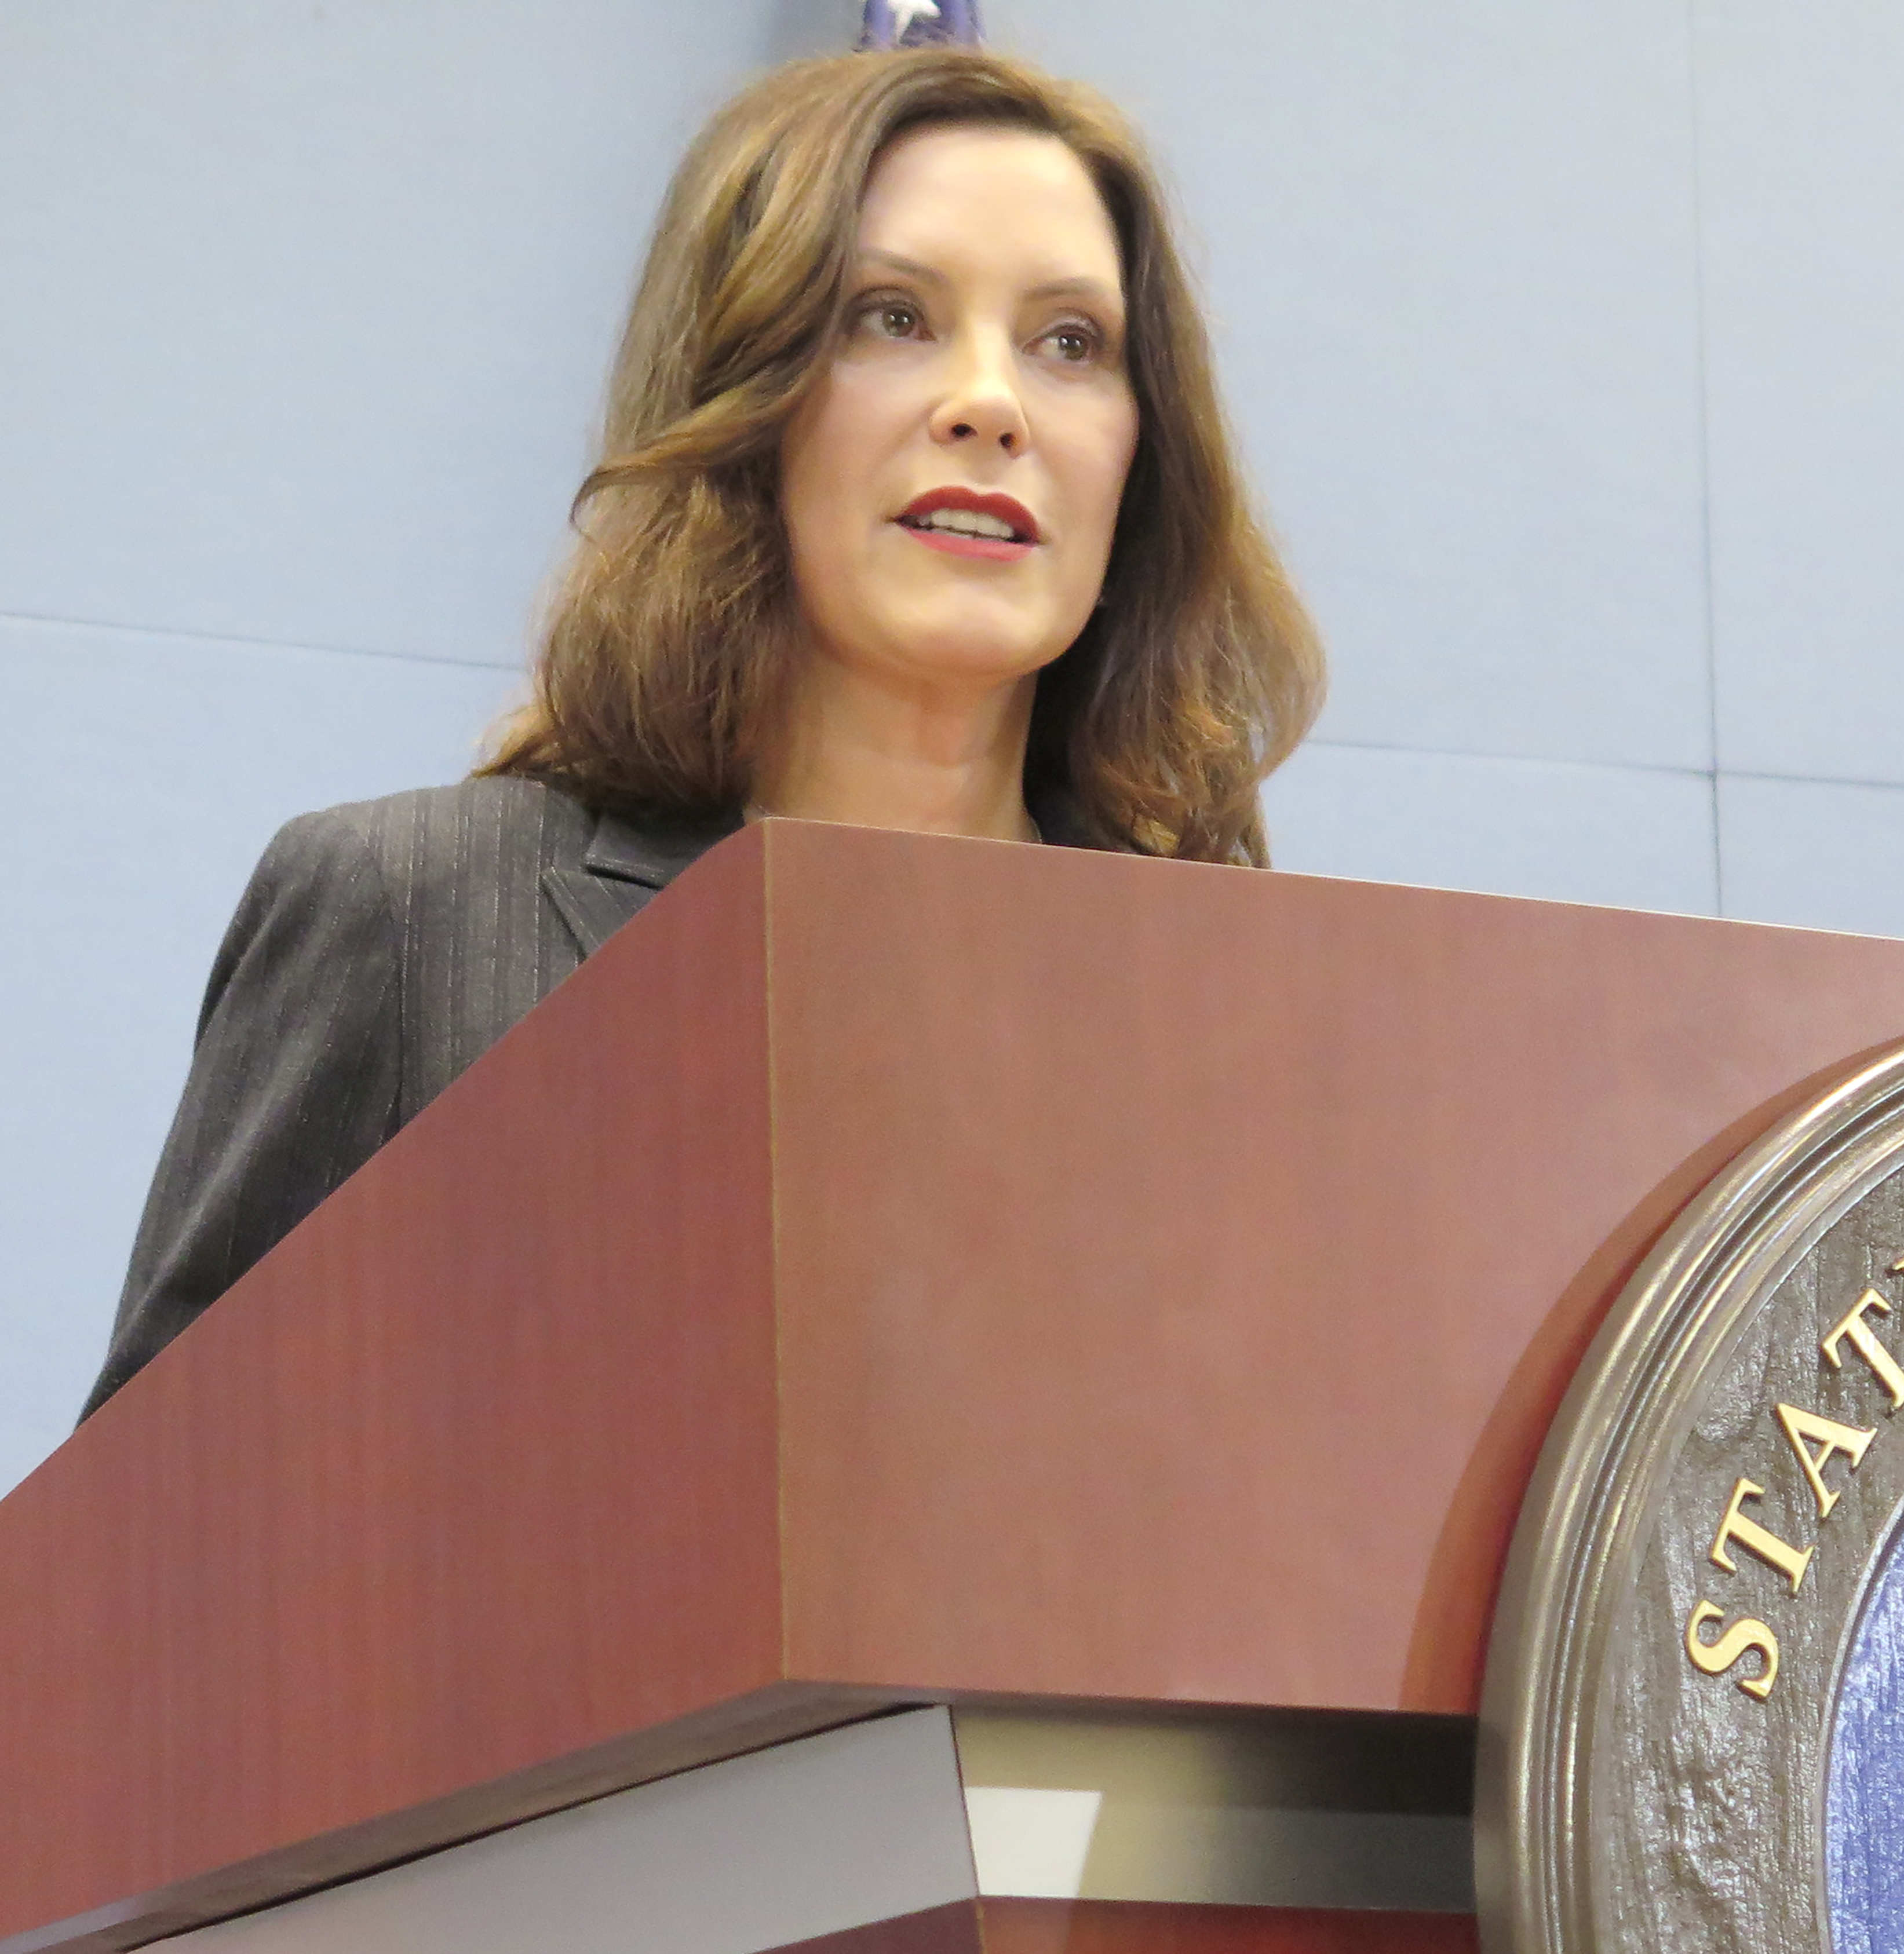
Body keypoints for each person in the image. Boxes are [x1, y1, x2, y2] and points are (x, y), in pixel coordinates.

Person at [80, 48, 1322, 1418]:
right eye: (890, 316)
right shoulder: (412, 920)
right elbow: (150, 1567)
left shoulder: (1231, 1016)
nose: (991, 402)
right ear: (743, 395)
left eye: (1071, 343)